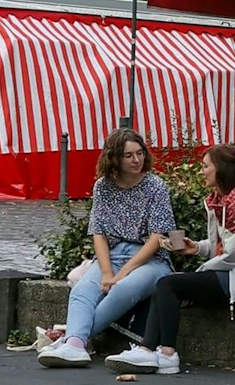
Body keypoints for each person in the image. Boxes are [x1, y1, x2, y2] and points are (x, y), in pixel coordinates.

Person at [108, 144, 235, 376]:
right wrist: (196, 248)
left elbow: (232, 255)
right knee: (166, 284)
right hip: (232, 273)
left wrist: (197, 275)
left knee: (168, 284)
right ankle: (149, 350)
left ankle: (165, 353)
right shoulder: (221, 199)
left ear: (221, 169)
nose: (201, 171)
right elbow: (221, 247)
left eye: (205, 166)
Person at [38, 128, 178, 368]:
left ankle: (73, 340)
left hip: (150, 259)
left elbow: (157, 238)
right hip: (113, 255)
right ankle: (75, 345)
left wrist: (121, 274)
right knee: (82, 291)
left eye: (140, 153)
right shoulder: (103, 186)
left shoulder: (156, 186)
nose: (137, 160)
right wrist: (105, 272)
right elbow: (99, 233)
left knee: (121, 291)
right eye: (128, 155)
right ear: (115, 159)